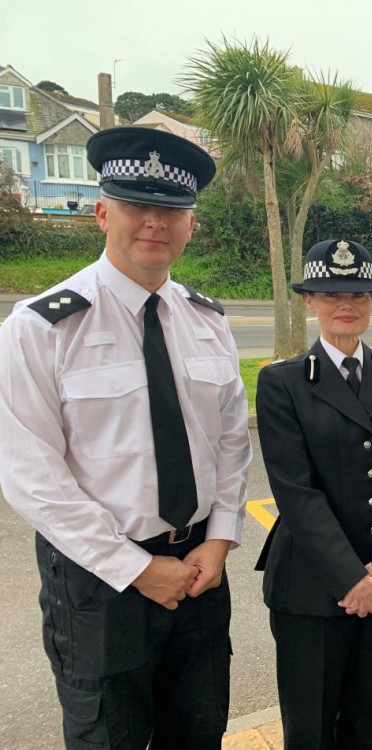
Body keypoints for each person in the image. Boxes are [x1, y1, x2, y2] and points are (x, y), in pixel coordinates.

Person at [0, 126, 252, 749]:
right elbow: (31, 474)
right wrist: (135, 569)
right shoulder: (41, 328)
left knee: (197, 733)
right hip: (99, 582)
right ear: (102, 211)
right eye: (138, 205)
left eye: (171, 210)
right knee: (107, 738)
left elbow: (229, 443)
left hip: (198, 570)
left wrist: (220, 538)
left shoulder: (208, 322)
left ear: (190, 223)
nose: (154, 223)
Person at [254, 239, 372, 749]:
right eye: (331, 292)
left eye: (358, 293)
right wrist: (350, 577)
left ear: (371, 300)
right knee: (311, 726)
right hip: (311, 587)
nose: (346, 304)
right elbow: (296, 492)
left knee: (371, 717)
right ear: (309, 301)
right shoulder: (282, 383)